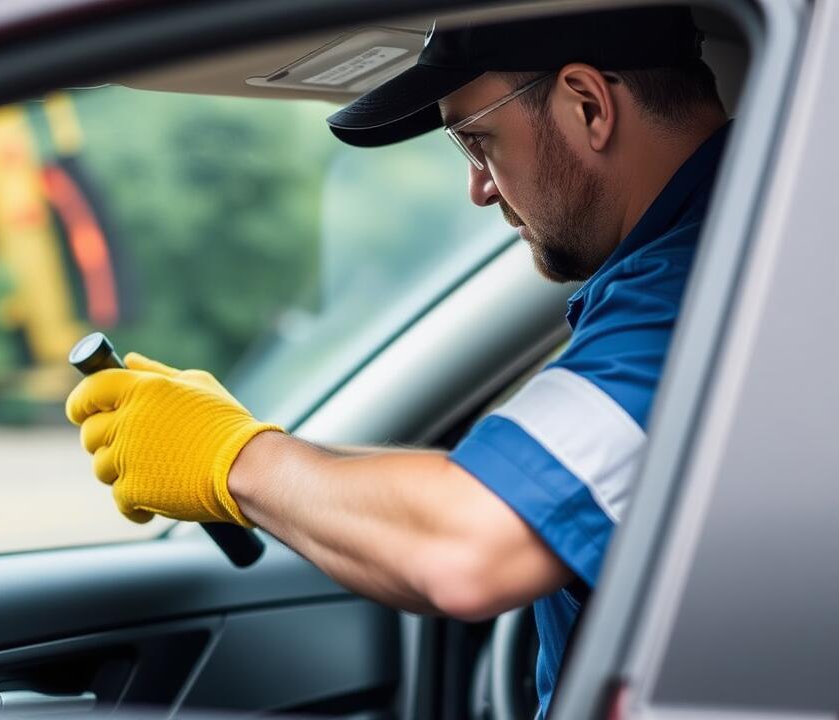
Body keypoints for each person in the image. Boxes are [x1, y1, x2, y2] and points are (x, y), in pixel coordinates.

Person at [65, 6, 730, 717]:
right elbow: (505, 485)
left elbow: (472, 543)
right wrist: (246, 439)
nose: (478, 187)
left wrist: (229, 460)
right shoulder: (727, 253)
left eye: (477, 141)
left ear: (588, 105)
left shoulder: (692, 287)